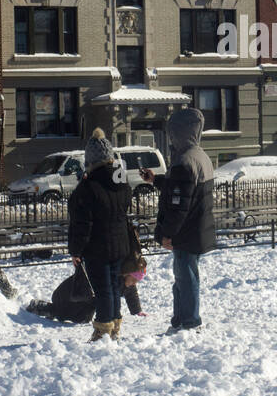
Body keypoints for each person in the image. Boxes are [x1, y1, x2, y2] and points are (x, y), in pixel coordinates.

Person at [140, 108, 215, 334]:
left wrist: (167, 234)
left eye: (172, 132)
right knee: (185, 276)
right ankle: (182, 319)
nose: (170, 137)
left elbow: (179, 205)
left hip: (185, 232)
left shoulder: (184, 161)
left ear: (180, 132)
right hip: (197, 229)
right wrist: (157, 180)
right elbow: (183, 190)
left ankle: (189, 322)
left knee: (185, 278)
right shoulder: (200, 155)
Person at [67, 128, 133, 341]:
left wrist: (75, 250)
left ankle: (104, 329)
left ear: (90, 161)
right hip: (120, 244)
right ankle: (114, 326)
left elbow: (81, 225)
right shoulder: (121, 181)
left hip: (98, 247)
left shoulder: (87, 188)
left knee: (103, 289)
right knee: (113, 287)